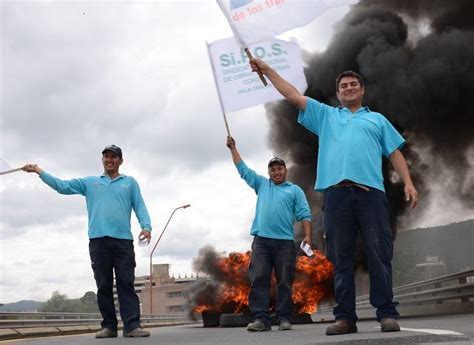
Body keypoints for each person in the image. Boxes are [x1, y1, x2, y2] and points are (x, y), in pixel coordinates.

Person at [249, 59, 419, 335]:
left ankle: (386, 314)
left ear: (362, 90)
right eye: (343, 86)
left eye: (353, 85)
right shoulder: (326, 116)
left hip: (370, 195)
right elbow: (292, 94)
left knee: (379, 253)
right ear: (338, 94)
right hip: (337, 196)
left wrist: (408, 182)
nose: (348, 88)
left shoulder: (376, 120)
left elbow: (395, 152)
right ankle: (345, 318)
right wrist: (267, 71)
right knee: (340, 258)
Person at [22, 145, 152, 338]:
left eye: (113, 157)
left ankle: (132, 326)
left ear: (120, 161)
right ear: (102, 160)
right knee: (103, 285)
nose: (109, 160)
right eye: (106, 156)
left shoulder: (130, 183)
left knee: (126, 283)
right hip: (98, 241)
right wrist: (39, 171)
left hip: (123, 242)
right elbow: (62, 186)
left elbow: (140, 206)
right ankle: (109, 326)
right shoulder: (90, 182)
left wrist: (146, 227)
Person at [226, 136, 312, 332]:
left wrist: (308, 236)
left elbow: (304, 213)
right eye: (272, 169)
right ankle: (261, 319)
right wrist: (233, 148)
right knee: (259, 278)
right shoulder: (262, 185)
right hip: (261, 242)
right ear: (269, 172)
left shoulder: (294, 190)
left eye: (279, 168)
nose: (276, 171)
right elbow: (243, 170)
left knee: (284, 281)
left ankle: (283, 318)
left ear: (285, 170)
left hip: (285, 244)